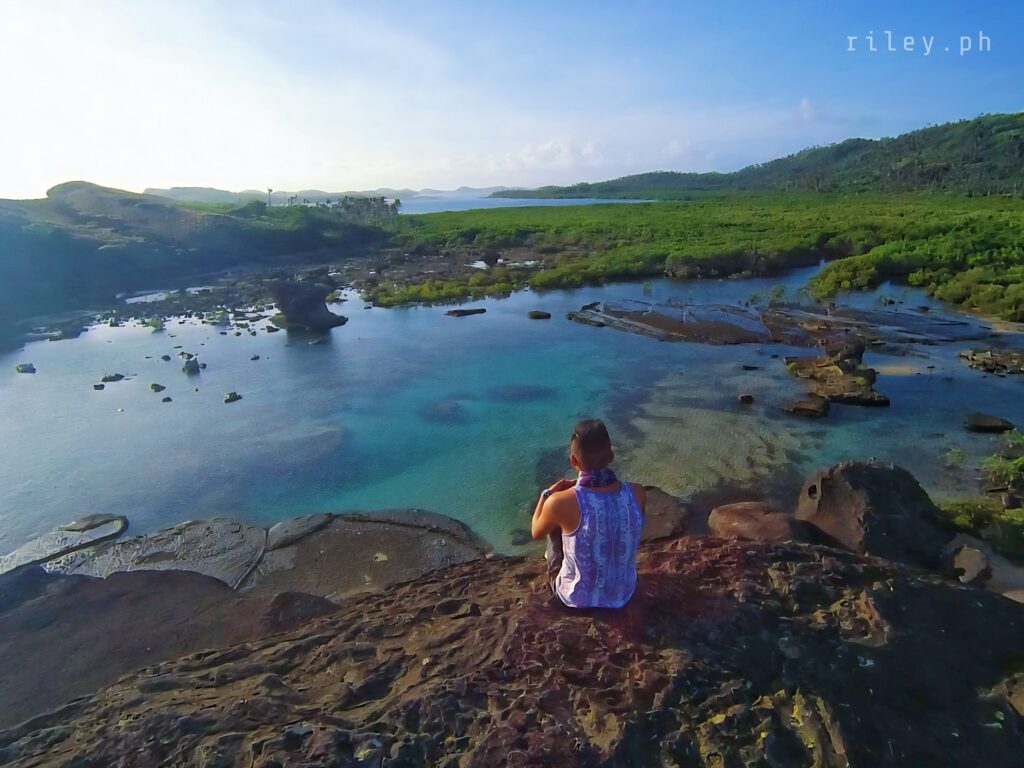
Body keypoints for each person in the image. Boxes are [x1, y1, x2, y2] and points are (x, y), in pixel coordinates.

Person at [531, 419, 646, 609]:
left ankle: (558, 568)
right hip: (623, 594)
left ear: (573, 460)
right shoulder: (637, 493)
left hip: (574, 599)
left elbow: (535, 532)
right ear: (611, 456)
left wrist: (547, 494)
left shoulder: (559, 502)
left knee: (554, 525)